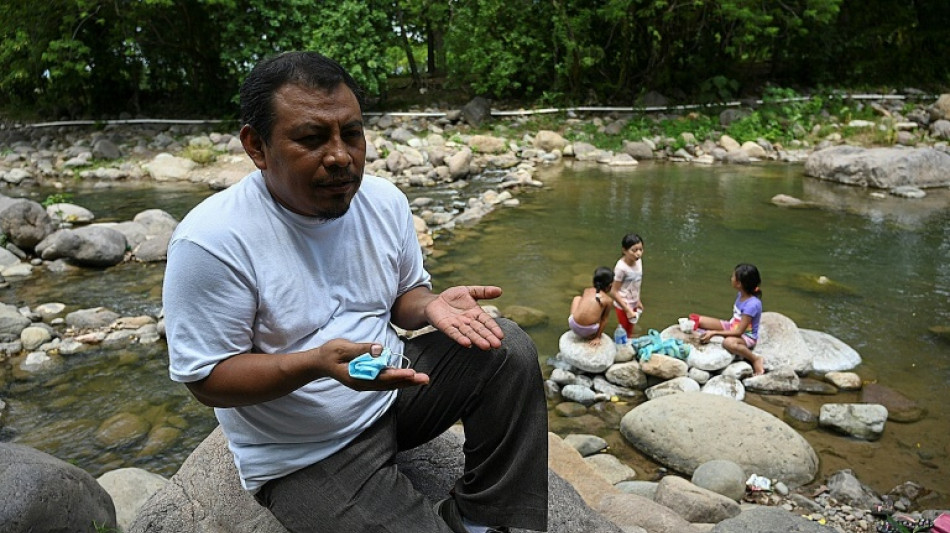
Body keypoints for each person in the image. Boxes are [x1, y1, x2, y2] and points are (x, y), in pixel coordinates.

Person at [162, 51, 547, 533]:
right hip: (302, 450)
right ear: (256, 147)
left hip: (393, 391)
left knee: (503, 345)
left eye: (352, 133)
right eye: (311, 138)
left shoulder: (384, 201)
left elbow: (405, 296)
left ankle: (482, 516)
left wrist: (431, 304)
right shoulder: (212, 241)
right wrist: (314, 364)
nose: (341, 156)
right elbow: (207, 379)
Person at [691, 263, 765, 375]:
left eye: (733, 277)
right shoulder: (741, 294)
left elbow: (739, 332)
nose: (731, 279)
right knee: (698, 320)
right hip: (732, 326)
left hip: (745, 336)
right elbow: (736, 321)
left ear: (739, 284)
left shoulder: (752, 305)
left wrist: (714, 333)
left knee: (728, 343)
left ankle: (755, 359)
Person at [568, 266, 615, 346]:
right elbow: (604, 320)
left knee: (577, 298)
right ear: (610, 286)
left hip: (573, 325)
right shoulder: (608, 300)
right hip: (589, 332)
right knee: (601, 314)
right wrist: (597, 337)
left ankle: (577, 320)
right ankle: (592, 333)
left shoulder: (587, 290)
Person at [610, 233, 644, 338]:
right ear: (624, 251)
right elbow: (613, 291)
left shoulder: (638, 262)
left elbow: (636, 283)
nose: (638, 254)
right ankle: (621, 349)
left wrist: (638, 300)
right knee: (624, 331)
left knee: (630, 329)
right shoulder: (621, 268)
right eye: (634, 250)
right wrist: (627, 309)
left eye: (641, 249)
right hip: (623, 304)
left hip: (633, 302)